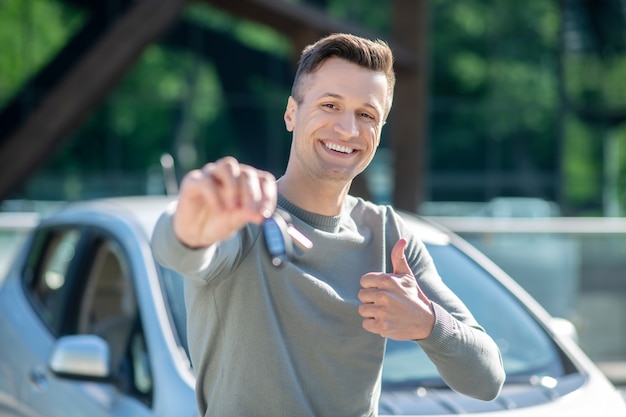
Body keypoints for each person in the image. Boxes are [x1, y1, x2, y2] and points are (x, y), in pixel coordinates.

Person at [151, 33, 505, 417]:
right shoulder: (245, 218)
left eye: (366, 114)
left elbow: (487, 380)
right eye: (330, 105)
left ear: (380, 129)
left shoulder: (390, 236)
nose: (348, 129)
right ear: (291, 114)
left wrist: (429, 323)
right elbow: (175, 248)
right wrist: (192, 216)